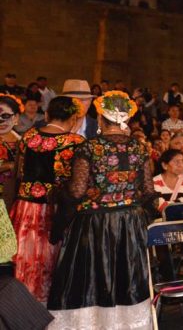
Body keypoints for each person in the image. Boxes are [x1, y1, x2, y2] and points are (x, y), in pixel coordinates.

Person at [47, 91, 154, 328]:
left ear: (102, 120)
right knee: (126, 279)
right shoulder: (140, 148)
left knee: (90, 278)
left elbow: (76, 191)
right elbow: (148, 191)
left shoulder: (89, 148)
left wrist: (57, 193)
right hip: (129, 223)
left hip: (94, 224)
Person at [10, 96, 84, 302]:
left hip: (25, 204)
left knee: (26, 253)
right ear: (73, 118)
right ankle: (46, 300)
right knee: (49, 255)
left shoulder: (28, 136)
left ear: (48, 114)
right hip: (54, 207)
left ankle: (21, 299)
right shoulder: (75, 142)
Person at [0, 94, 23, 210]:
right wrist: (9, 165)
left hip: (18, 199)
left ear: (16, 118)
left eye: (5, 116)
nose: (1, 121)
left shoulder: (24, 141)